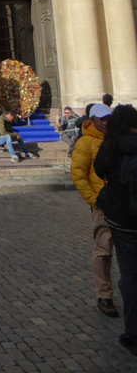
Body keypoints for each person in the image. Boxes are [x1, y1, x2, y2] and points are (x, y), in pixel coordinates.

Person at [94, 105, 137, 356]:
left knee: (131, 276)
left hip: (122, 220)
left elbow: (99, 171)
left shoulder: (111, 145)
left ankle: (132, 333)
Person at [70, 102, 119, 318]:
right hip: (103, 205)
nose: (106, 122)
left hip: (124, 204)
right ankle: (104, 295)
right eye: (101, 119)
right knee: (103, 250)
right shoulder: (85, 143)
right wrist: (94, 201)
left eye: (108, 118)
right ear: (93, 120)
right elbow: (79, 175)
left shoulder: (118, 139)